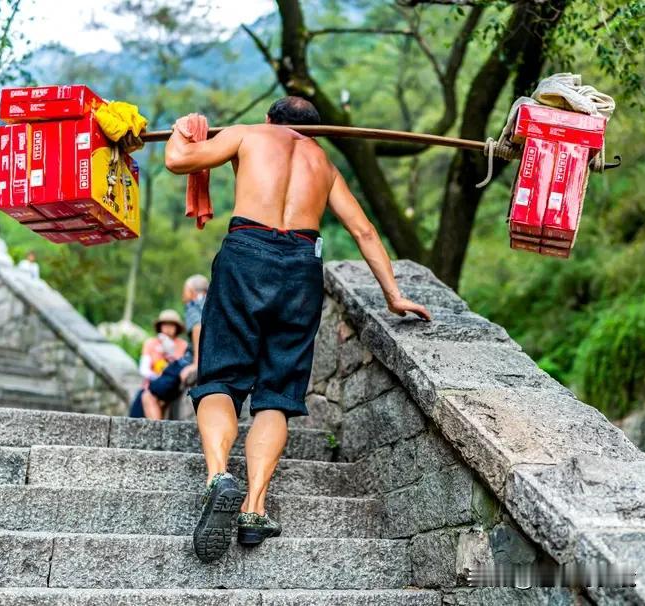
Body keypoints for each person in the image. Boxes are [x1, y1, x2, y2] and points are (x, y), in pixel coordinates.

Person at [164, 97, 432, 562]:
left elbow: (178, 159)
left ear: (271, 120)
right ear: (318, 132)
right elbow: (365, 231)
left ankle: (217, 478)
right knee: (277, 393)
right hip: (301, 270)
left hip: (247, 253)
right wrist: (393, 294)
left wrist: (181, 129)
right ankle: (253, 508)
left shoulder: (249, 133)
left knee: (220, 380)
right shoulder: (323, 163)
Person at [137, 275, 208, 420]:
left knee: (148, 396)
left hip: (188, 363)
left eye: (184, 291)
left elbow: (197, 328)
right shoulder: (213, 305)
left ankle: (157, 439)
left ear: (191, 291)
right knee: (157, 399)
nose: (183, 297)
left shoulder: (194, 304)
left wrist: (196, 364)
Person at [139, 309, 189, 385]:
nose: (168, 328)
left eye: (171, 325)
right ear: (160, 326)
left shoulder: (183, 345)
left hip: (175, 384)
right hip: (152, 384)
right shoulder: (150, 343)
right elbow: (143, 369)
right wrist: (156, 377)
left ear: (177, 327)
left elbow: (185, 366)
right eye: (165, 324)